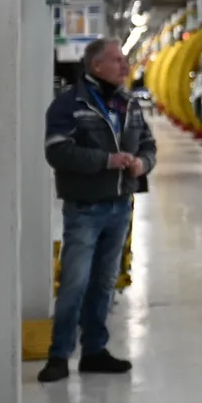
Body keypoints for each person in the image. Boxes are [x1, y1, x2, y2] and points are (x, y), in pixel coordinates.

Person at [37, 37, 155, 383]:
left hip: (120, 206)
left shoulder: (128, 104)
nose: (125, 65)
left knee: (104, 283)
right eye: (117, 60)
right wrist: (107, 160)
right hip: (85, 208)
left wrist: (142, 164)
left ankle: (94, 351)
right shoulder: (68, 105)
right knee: (74, 282)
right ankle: (58, 355)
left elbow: (148, 143)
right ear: (96, 66)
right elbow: (57, 151)